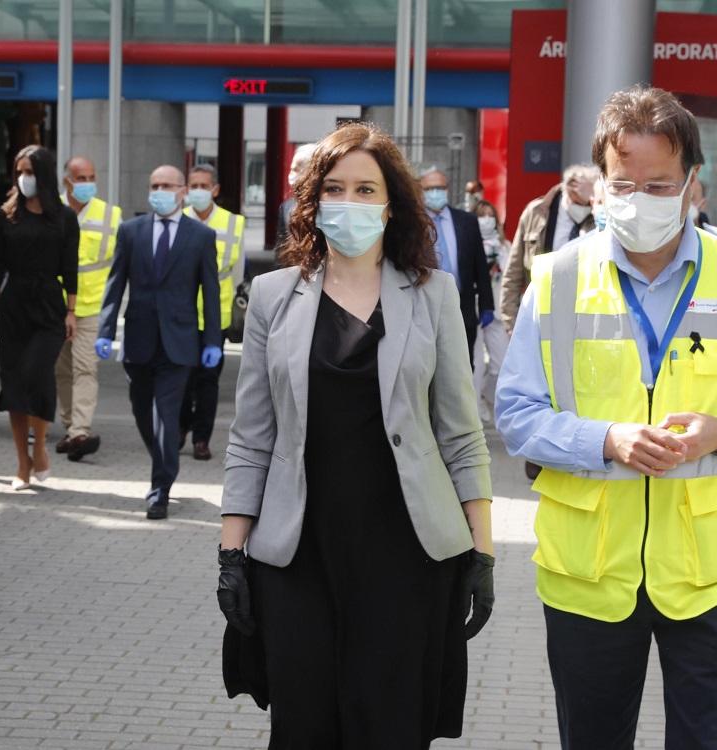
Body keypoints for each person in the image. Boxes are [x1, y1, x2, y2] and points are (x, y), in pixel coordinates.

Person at [495, 86, 717, 750]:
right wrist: (604, 440)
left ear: (693, 184)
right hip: (590, 574)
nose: (639, 199)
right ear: (598, 186)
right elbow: (517, 414)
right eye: (624, 183)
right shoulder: (555, 279)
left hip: (712, 575)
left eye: (659, 184)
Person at [216, 122, 494, 746]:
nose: (350, 202)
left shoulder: (433, 295)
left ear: (391, 203)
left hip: (408, 556)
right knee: (303, 726)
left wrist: (483, 550)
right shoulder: (271, 297)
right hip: (297, 554)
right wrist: (231, 554)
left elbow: (461, 435)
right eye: (335, 189)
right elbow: (251, 437)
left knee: (391, 727)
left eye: (366, 189)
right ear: (312, 204)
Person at [95, 165, 222, 520]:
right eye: (154, 185)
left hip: (180, 342)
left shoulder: (200, 236)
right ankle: (164, 459)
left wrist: (212, 339)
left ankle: (159, 490)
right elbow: (115, 283)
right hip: (138, 339)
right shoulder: (131, 231)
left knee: (166, 414)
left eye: (167, 185)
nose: (160, 191)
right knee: (141, 410)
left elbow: (210, 293)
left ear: (182, 191)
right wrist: (106, 330)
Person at [0, 145, 79, 490]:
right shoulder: (6, 214)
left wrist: (71, 311)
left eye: (29, 172)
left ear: (43, 174)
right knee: (13, 381)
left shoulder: (64, 217)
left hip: (49, 305)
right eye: (19, 172)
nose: (24, 178)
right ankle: (22, 464)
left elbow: (70, 267)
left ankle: (39, 446)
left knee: (37, 373)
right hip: (13, 306)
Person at [55, 155, 120, 462]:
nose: (87, 184)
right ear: (67, 180)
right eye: (80, 179)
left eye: (91, 177)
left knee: (85, 367)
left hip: (92, 306)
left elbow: (118, 265)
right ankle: (70, 425)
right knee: (61, 369)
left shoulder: (111, 215)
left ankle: (79, 429)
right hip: (54, 305)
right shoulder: (51, 210)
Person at [181, 163, 245, 460]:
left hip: (215, 315)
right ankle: (181, 426)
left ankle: (201, 438)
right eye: (193, 186)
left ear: (215, 190)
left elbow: (238, 273)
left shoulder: (233, 223)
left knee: (208, 378)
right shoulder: (177, 219)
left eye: (204, 186)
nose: (198, 191)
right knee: (182, 375)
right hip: (180, 313)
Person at [498, 162, 598, 334]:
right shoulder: (537, 213)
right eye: (583, 202)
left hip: (583, 316)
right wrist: (511, 323)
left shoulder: (597, 216)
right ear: (571, 188)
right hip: (539, 312)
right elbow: (513, 272)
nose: (587, 207)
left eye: (591, 203)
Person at [419, 164, 494, 363]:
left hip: (463, 307)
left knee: (462, 366)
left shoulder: (467, 221)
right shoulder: (412, 222)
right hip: (423, 306)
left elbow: (480, 264)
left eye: (440, 188)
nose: (435, 193)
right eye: (429, 189)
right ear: (420, 191)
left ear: (447, 189)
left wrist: (487, 305)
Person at [472, 199, 510, 422]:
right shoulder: (470, 243)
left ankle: (487, 392)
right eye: (481, 215)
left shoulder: (504, 246)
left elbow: (511, 274)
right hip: (474, 309)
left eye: (490, 215)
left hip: (497, 310)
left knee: (502, 363)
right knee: (475, 364)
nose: (486, 220)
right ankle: (474, 408)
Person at [274, 142, 317, 254]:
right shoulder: (286, 207)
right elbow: (281, 249)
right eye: (292, 169)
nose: (292, 175)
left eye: (297, 169)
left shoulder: (326, 205)